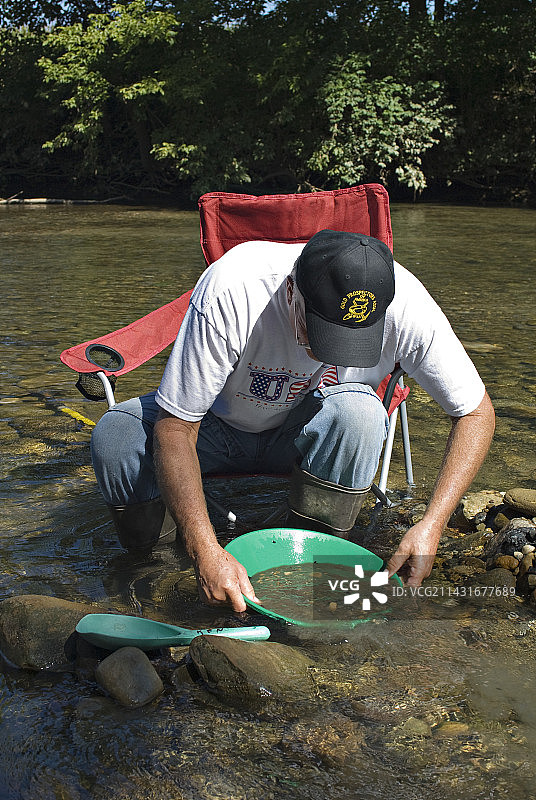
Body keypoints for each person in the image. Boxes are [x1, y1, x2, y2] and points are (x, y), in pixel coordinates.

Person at [91, 230, 495, 612]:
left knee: (361, 413)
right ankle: (161, 574)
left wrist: (432, 524)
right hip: (215, 429)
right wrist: (205, 551)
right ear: (290, 291)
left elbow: (476, 412)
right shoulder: (234, 290)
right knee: (117, 434)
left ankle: (314, 569)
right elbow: (176, 427)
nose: (329, 354)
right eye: (319, 332)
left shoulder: (408, 306)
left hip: (302, 436)